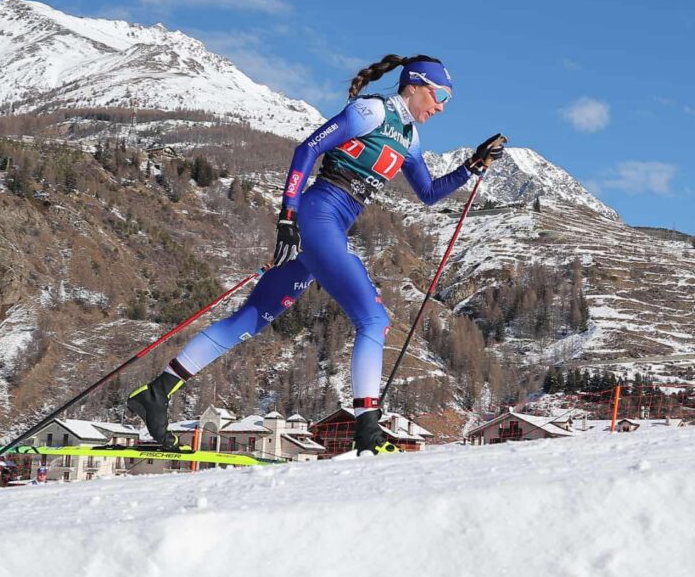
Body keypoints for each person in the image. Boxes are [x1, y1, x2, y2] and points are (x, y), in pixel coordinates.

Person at [127, 54, 505, 455]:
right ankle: (368, 433)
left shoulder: (410, 138)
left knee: (249, 320)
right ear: (414, 85)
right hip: (317, 217)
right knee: (374, 319)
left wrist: (473, 165)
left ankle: (156, 393)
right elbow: (307, 149)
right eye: (440, 94)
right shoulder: (372, 111)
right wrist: (288, 214)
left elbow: (428, 194)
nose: (442, 106)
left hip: (329, 229)